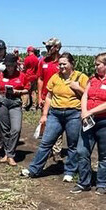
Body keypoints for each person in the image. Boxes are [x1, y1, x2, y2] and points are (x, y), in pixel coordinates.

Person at [22, 52, 88, 181]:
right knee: (46, 142)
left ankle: (69, 171)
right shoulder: (55, 77)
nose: (61, 66)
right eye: (60, 64)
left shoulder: (81, 77)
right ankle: (34, 169)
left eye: (64, 64)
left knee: (72, 144)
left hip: (73, 113)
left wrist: (77, 88)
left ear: (72, 64)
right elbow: (49, 96)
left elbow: (88, 95)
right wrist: (44, 115)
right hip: (55, 114)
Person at [75, 53, 106, 194]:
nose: (95, 67)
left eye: (98, 64)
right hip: (89, 121)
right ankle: (84, 182)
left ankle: (102, 183)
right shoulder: (93, 80)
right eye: (95, 64)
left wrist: (90, 112)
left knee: (104, 153)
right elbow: (85, 95)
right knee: (82, 150)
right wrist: (84, 111)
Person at [0, 53, 28, 166]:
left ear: (15, 65)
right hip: (2, 101)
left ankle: (10, 153)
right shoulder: (0, 75)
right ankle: (9, 154)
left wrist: (18, 92)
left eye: (11, 65)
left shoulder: (22, 76)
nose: (9, 67)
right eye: (7, 65)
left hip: (15, 102)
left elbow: (27, 89)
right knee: (4, 129)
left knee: (16, 129)